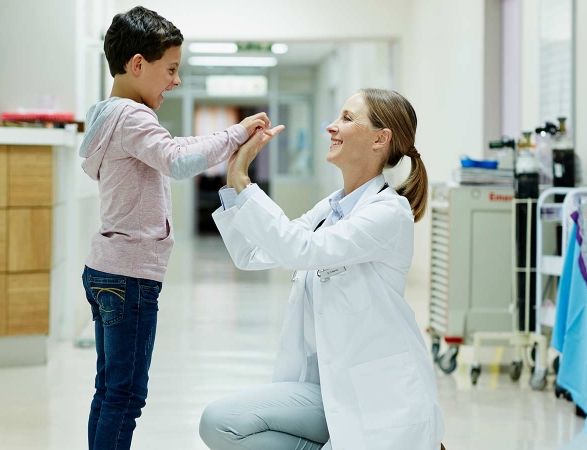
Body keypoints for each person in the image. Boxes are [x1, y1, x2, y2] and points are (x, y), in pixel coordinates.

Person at [200, 89, 445, 450]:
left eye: (347, 118)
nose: (331, 126)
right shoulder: (329, 210)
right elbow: (251, 254)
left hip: (378, 400)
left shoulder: (388, 213)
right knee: (221, 422)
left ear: (381, 138)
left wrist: (244, 181)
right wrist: (233, 181)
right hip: (327, 388)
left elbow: (301, 250)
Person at [79, 6, 273, 450]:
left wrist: (232, 134)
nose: (176, 81)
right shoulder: (133, 117)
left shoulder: (109, 116)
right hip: (130, 275)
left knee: (109, 391)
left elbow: (172, 147)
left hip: (106, 268)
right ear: (138, 64)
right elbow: (179, 160)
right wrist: (235, 136)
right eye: (170, 69)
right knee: (126, 396)